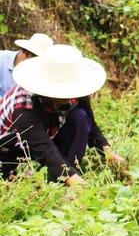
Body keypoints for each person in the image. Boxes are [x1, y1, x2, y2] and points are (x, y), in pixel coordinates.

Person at [0, 44, 125, 184]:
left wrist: (108, 153)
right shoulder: (23, 106)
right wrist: (76, 182)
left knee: (80, 117)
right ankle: (64, 178)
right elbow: (44, 149)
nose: (68, 95)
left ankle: (64, 175)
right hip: (10, 148)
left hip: (48, 134)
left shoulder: (77, 89)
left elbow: (91, 126)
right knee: (8, 180)